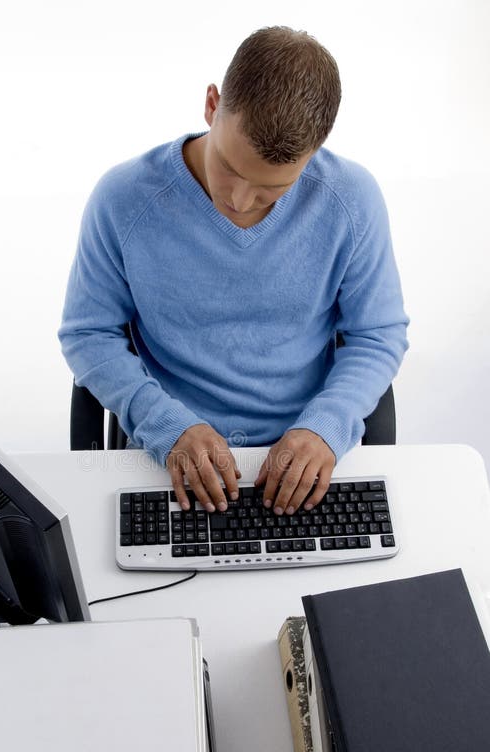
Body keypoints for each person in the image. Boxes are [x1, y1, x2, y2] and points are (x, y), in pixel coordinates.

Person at [59, 26, 408, 517]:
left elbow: (377, 335)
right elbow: (88, 333)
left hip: (304, 459)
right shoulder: (123, 199)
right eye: (229, 166)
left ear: (315, 152)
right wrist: (167, 426)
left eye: (271, 190)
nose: (239, 202)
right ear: (211, 104)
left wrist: (325, 426)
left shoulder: (351, 200)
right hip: (169, 456)